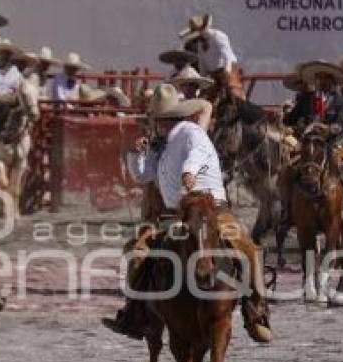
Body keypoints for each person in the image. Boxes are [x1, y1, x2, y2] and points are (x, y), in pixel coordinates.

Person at [101, 83, 273, 344]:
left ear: (162, 120)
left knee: (246, 246)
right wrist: (136, 154)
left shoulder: (190, 132)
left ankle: (256, 312)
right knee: (138, 251)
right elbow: (142, 175)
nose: (153, 126)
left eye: (155, 121)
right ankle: (134, 314)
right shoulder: (160, 146)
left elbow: (199, 151)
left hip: (211, 210)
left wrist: (189, 171)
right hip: (174, 214)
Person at [289, 60, 343, 219]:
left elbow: (342, 123)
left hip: (333, 143)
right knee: (286, 168)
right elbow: (291, 118)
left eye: (326, 79)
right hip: (309, 144)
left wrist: (329, 129)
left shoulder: (340, 101)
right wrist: (280, 116)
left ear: (332, 81)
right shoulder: (307, 99)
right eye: (319, 78)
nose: (322, 82)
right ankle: (286, 208)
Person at [179, 14, 242, 99]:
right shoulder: (200, 44)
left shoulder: (218, 36)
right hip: (212, 74)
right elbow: (202, 63)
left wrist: (226, 73)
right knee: (207, 96)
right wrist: (203, 80)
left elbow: (227, 56)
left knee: (233, 94)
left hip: (228, 69)